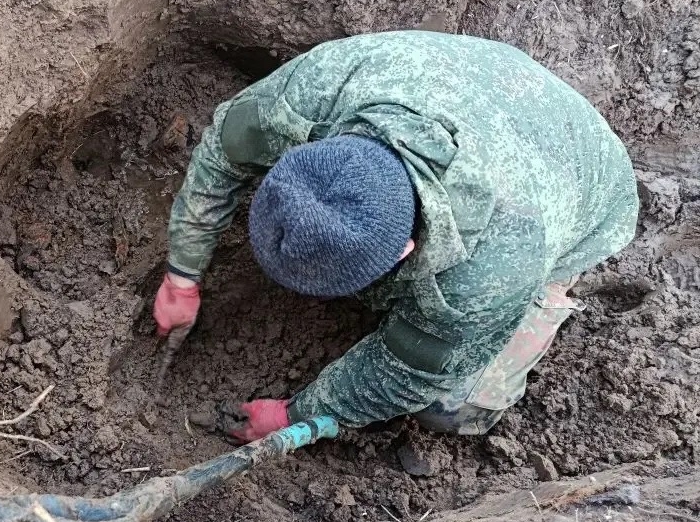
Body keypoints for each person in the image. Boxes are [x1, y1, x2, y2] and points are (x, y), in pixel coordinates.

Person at [152, 31, 639, 444]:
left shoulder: (491, 267)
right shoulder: (314, 92)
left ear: (407, 249)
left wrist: (295, 415)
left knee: (452, 410)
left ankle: (549, 295)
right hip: (480, 78)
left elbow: (406, 378)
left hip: (582, 177)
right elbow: (223, 151)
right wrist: (182, 276)